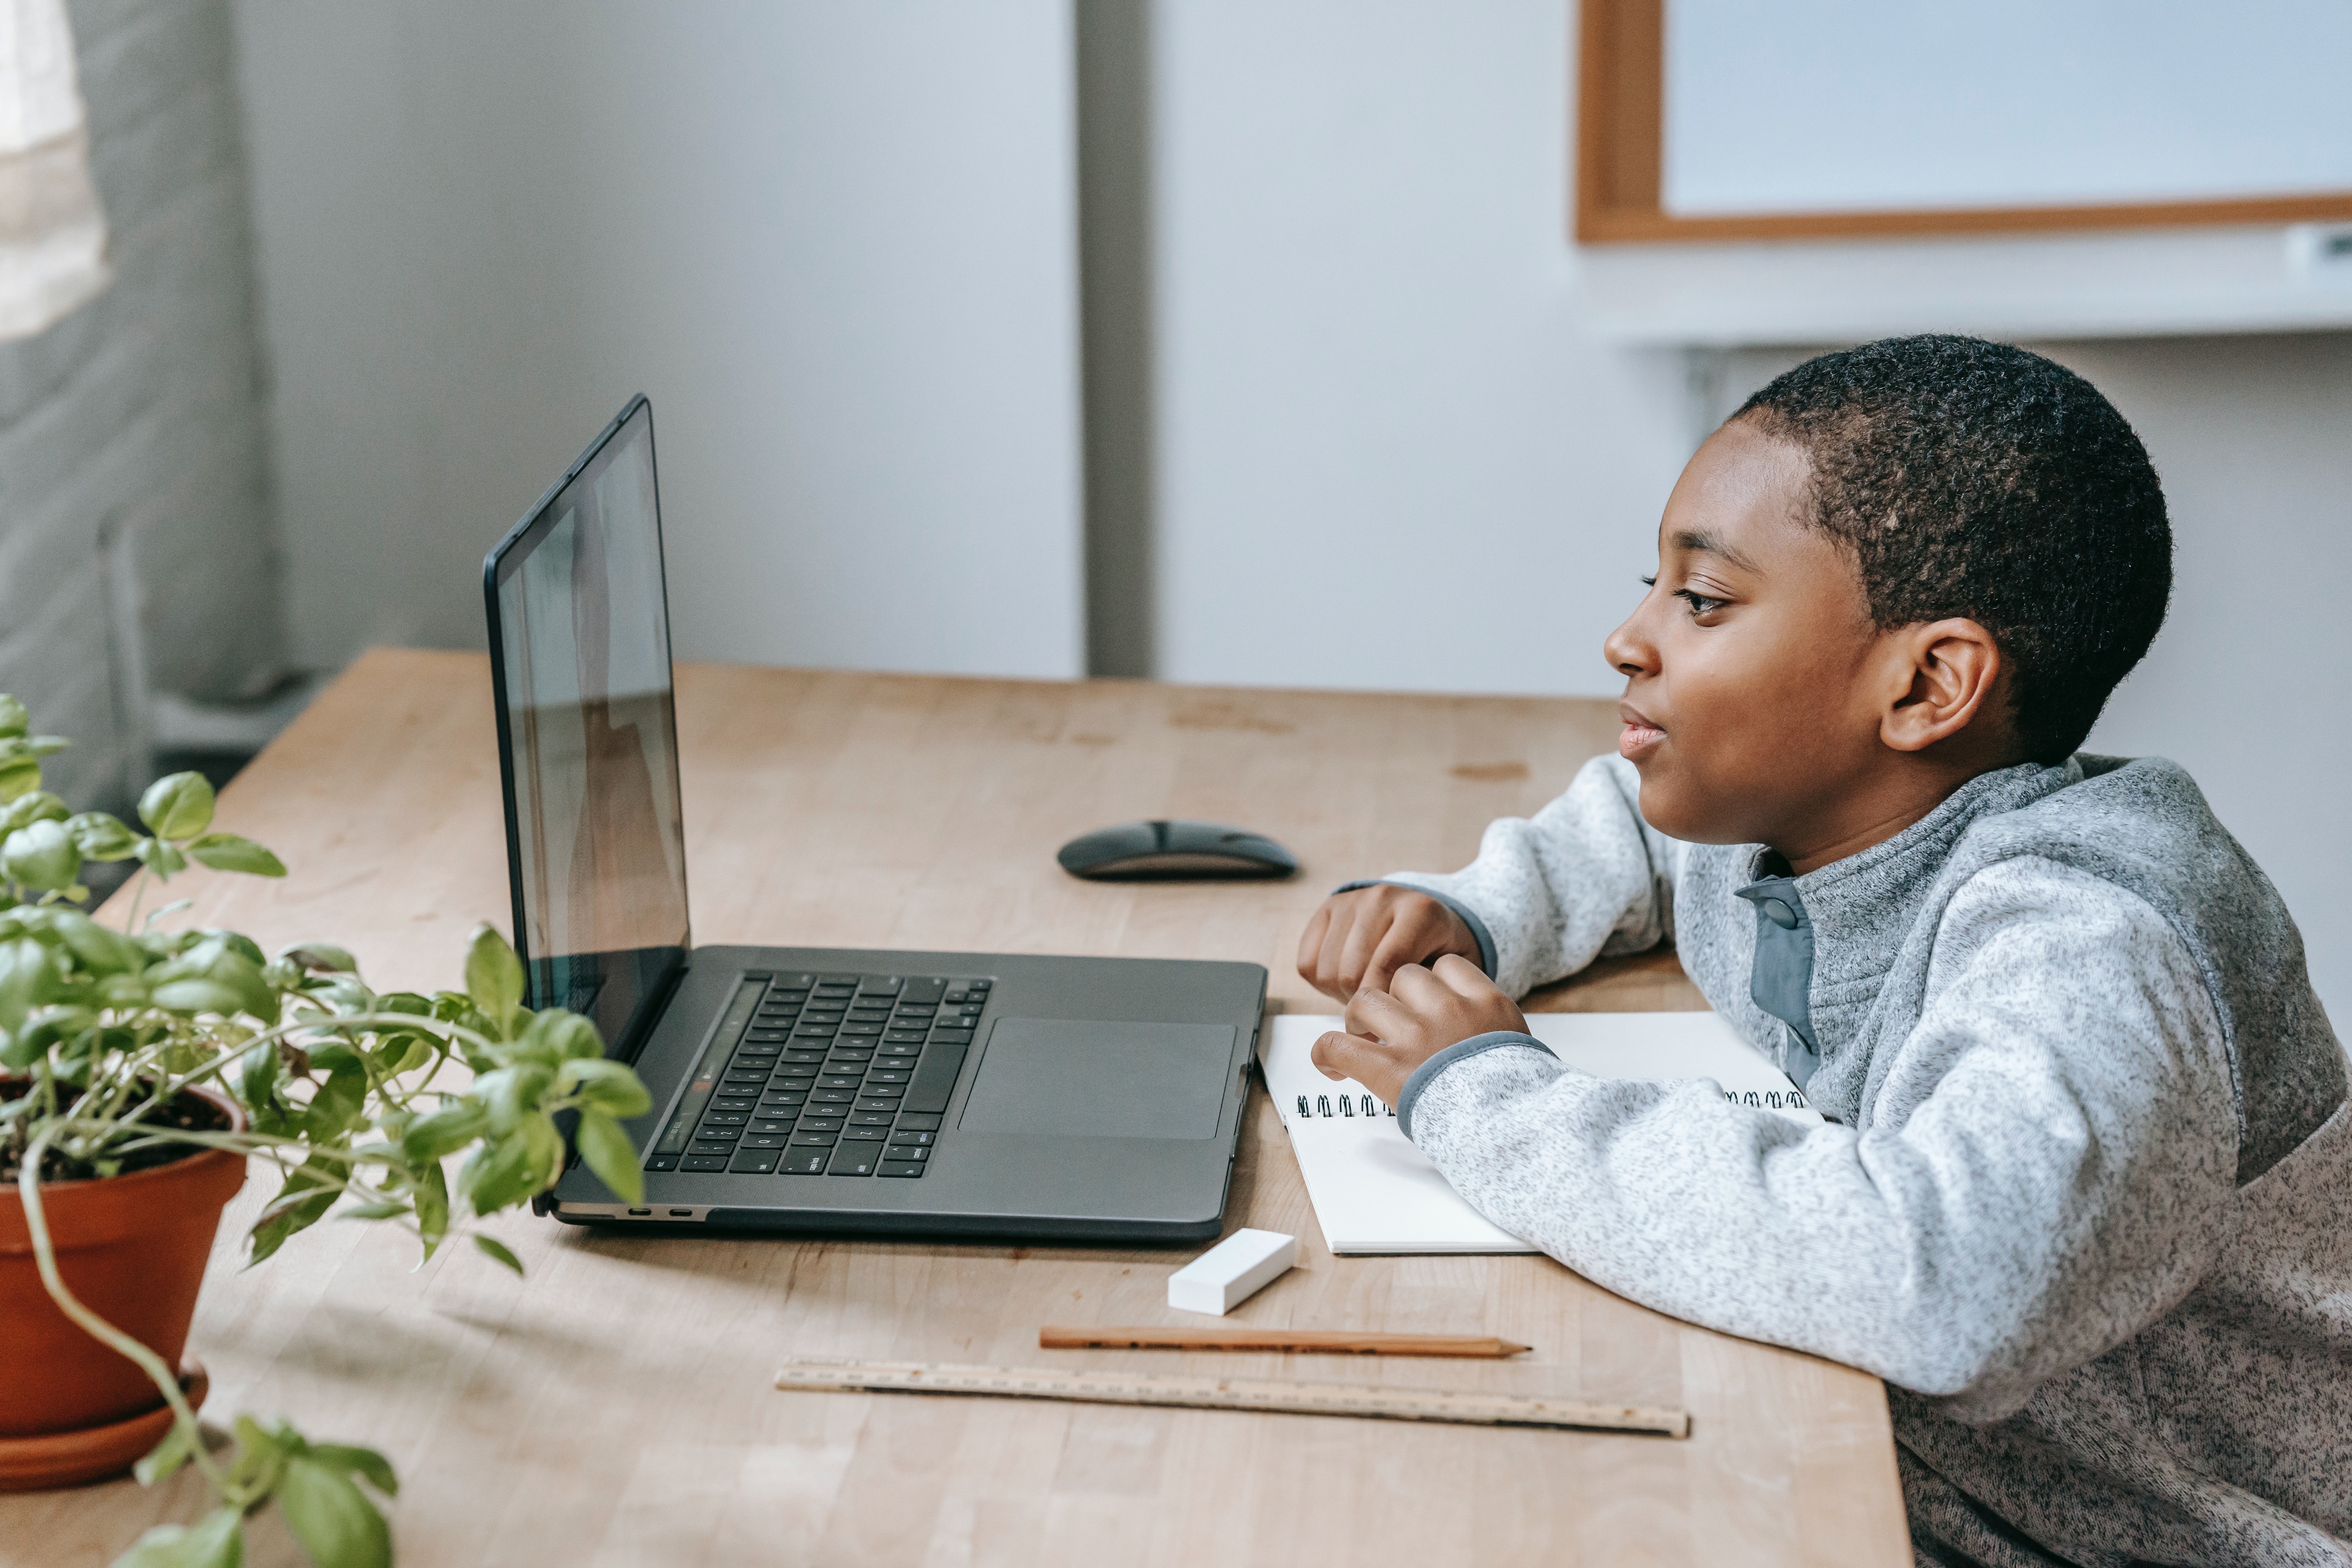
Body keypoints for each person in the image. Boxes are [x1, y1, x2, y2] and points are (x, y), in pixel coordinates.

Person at [1297, 336, 2350, 1568]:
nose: (1625, 640)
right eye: (1652, 585)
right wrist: (1483, 911)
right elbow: (1639, 830)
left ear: (1927, 687)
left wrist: (1489, 1096)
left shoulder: (2095, 941)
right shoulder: (1800, 816)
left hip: (2168, 1534)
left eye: (1701, 602)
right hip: (1942, 1470)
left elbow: (1953, 1285)